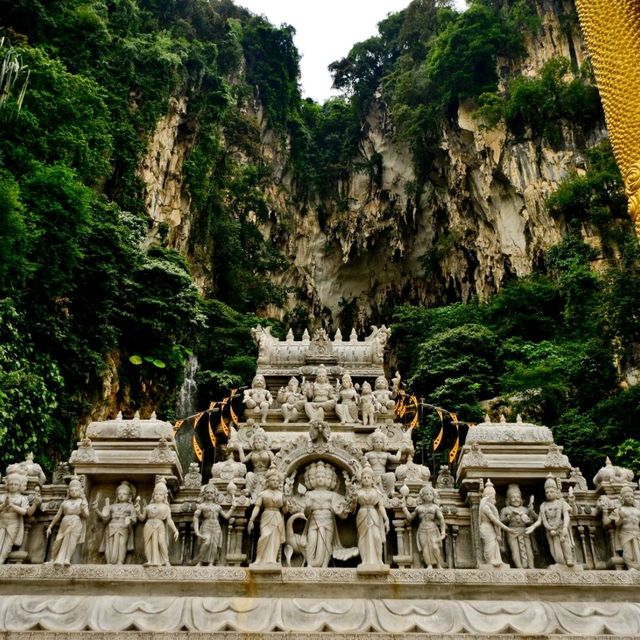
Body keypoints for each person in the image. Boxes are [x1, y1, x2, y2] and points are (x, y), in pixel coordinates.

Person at [296, 461, 356, 567]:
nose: (320, 478)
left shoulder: (333, 495)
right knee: (311, 541)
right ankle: (310, 563)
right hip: (314, 520)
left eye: (323, 476)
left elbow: (342, 508)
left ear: (330, 479)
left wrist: (349, 499)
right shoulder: (309, 494)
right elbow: (305, 512)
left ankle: (325, 564)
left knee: (327, 542)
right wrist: (309, 507)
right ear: (311, 479)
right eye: (317, 476)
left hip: (328, 520)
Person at [526, 476, 576, 568]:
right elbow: (540, 520)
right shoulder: (543, 505)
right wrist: (532, 527)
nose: (549, 494)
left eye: (551, 492)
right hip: (550, 531)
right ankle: (560, 562)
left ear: (556, 492)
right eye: (547, 492)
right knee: (555, 549)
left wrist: (565, 527)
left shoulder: (561, 503)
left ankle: (569, 559)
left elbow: (566, 516)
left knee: (565, 545)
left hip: (561, 528)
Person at [135, 478, 179, 566]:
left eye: (160, 494)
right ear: (153, 495)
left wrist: (175, 530)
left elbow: (169, 520)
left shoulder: (166, 507)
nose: (158, 496)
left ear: (164, 496)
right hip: (149, 525)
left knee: (161, 541)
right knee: (147, 543)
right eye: (156, 494)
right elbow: (142, 518)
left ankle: (166, 560)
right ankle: (150, 560)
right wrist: (138, 511)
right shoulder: (148, 507)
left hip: (159, 525)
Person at [47, 477, 89, 566]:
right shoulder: (65, 503)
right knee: (58, 540)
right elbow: (58, 515)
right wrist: (50, 525)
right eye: (72, 490)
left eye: (76, 490)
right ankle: (53, 558)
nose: (73, 492)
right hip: (65, 522)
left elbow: (87, 515)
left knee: (72, 541)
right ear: (68, 491)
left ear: (80, 491)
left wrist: (82, 509)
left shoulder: (82, 502)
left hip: (76, 522)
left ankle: (67, 559)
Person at [248, 466, 286, 566]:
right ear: (267, 482)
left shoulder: (281, 495)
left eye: (277, 481)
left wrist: (285, 503)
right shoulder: (263, 494)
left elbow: (285, 511)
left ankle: (272, 559)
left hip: (277, 516)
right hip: (266, 515)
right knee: (264, 536)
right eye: (272, 480)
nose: (275, 482)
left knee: (275, 538)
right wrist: (251, 520)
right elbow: (257, 507)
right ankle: (259, 559)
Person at [402, 484, 446, 568]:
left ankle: (438, 564)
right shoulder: (419, 508)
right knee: (425, 548)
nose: (428, 496)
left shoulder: (435, 507)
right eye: (426, 494)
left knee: (435, 547)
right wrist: (404, 508)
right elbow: (410, 518)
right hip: (422, 530)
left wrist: (443, 532)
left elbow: (441, 519)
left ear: (433, 496)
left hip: (433, 528)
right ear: (422, 496)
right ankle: (428, 564)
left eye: (430, 494)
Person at [94, 481, 137, 565]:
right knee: (109, 544)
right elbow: (105, 518)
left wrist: (130, 519)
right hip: (111, 527)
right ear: (117, 495)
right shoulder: (112, 506)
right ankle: (109, 562)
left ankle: (120, 562)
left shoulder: (131, 506)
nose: (121, 495)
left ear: (129, 496)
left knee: (122, 544)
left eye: (124, 494)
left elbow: (135, 520)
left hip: (124, 527)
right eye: (119, 493)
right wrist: (96, 510)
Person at [0, 473, 39, 564]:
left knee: (7, 546)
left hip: (13, 523)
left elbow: (25, 512)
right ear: (7, 485)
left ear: (20, 486)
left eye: (16, 484)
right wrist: (4, 505)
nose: (13, 486)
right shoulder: (2, 496)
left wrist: (12, 505)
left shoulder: (22, 498)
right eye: (11, 484)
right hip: (1, 521)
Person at [193, 484, 235, 566]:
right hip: (206, 526)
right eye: (207, 492)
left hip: (216, 527)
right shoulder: (201, 506)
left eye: (211, 493)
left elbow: (226, 516)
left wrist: (233, 508)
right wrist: (196, 530)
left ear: (215, 495)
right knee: (206, 542)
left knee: (214, 546)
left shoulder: (217, 507)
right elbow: (195, 517)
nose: (209, 494)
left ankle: (211, 563)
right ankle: (200, 561)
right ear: (204, 494)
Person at [356, 465, 389, 568]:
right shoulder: (357, 492)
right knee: (362, 537)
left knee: (376, 537)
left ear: (372, 480)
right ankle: (364, 561)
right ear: (361, 480)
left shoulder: (377, 492)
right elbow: (352, 507)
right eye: (364, 477)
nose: (366, 479)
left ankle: (379, 560)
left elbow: (381, 506)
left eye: (368, 477)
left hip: (374, 514)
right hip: (362, 514)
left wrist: (386, 518)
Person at [478, 480, 513, 568]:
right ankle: (490, 560)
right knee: (490, 544)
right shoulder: (485, 507)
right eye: (493, 498)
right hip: (486, 527)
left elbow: (497, 520)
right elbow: (494, 520)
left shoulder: (489, 506)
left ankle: (497, 559)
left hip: (490, 527)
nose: (495, 501)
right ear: (488, 497)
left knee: (495, 544)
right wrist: (506, 528)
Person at [500, 484, 535, 569]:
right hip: (512, 531)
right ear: (508, 499)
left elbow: (531, 523)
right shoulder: (505, 509)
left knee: (529, 551)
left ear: (521, 499)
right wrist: (509, 517)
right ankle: (519, 567)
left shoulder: (525, 509)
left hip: (524, 531)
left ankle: (531, 566)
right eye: (513, 497)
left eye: (518, 497)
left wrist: (528, 518)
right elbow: (500, 522)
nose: (516, 499)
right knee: (515, 551)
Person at [611, 485, 640, 570]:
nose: (630, 498)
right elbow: (617, 524)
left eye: (631, 496)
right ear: (622, 498)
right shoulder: (620, 510)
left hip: (637, 532)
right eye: (627, 496)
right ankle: (631, 567)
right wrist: (621, 518)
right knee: (628, 553)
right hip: (625, 533)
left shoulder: (637, 510)